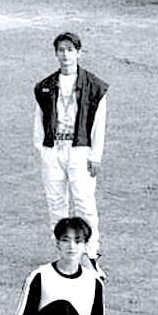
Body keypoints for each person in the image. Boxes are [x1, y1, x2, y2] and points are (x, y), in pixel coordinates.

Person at [32, 32, 108, 275]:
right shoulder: (45, 86)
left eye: (69, 50)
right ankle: (63, 255)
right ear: (56, 53)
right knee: (56, 202)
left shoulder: (94, 86)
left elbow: (98, 123)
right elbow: (39, 120)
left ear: (78, 52)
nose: (65, 55)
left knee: (84, 202)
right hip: (53, 148)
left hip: (80, 149)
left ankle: (90, 255)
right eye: (61, 50)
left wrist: (95, 155)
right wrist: (43, 149)